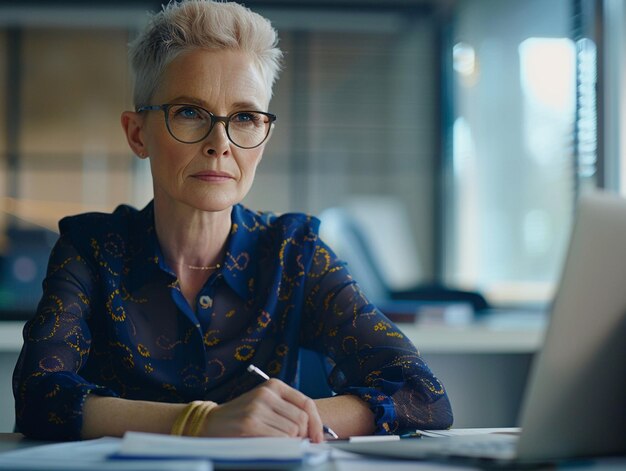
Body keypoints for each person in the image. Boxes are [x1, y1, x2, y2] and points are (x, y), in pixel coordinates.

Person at [12, 0, 452, 442]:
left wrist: (278, 419)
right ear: (137, 134)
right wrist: (202, 423)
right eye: (189, 112)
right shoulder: (89, 248)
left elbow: (422, 394)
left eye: (243, 117)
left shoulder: (294, 252)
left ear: (264, 136)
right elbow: (39, 397)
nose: (219, 143)